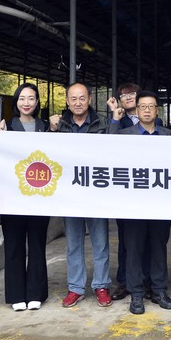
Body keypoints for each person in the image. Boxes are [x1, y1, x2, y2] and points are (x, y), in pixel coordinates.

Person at [110, 91, 171, 315]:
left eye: (151, 106)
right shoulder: (124, 135)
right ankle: (136, 294)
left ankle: (159, 290)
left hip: (161, 203)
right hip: (133, 204)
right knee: (134, 249)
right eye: (143, 107)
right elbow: (107, 153)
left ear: (157, 110)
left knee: (158, 247)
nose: (147, 110)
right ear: (136, 110)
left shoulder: (169, 136)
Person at [50, 82, 112, 309]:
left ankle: (101, 286)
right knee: (73, 243)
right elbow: (47, 153)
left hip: (96, 193)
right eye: (73, 99)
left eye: (82, 98)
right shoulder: (59, 125)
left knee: (100, 242)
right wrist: (51, 131)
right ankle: (76, 288)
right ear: (67, 101)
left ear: (90, 99)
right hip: (70, 194)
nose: (78, 103)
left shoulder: (103, 124)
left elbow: (113, 153)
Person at [0, 83, 50, 312]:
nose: (26, 103)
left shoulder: (45, 127)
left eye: (31, 98)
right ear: (16, 102)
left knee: (37, 245)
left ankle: (36, 293)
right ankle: (17, 294)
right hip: (12, 197)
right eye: (22, 98)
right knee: (14, 245)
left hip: (40, 196)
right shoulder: (5, 127)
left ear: (37, 102)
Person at [105, 82, 151, 302]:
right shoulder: (117, 121)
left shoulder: (154, 120)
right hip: (125, 189)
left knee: (148, 239)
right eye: (124, 96)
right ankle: (124, 281)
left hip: (149, 188)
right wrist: (115, 117)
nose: (129, 98)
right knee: (125, 239)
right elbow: (109, 145)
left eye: (133, 94)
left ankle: (147, 280)